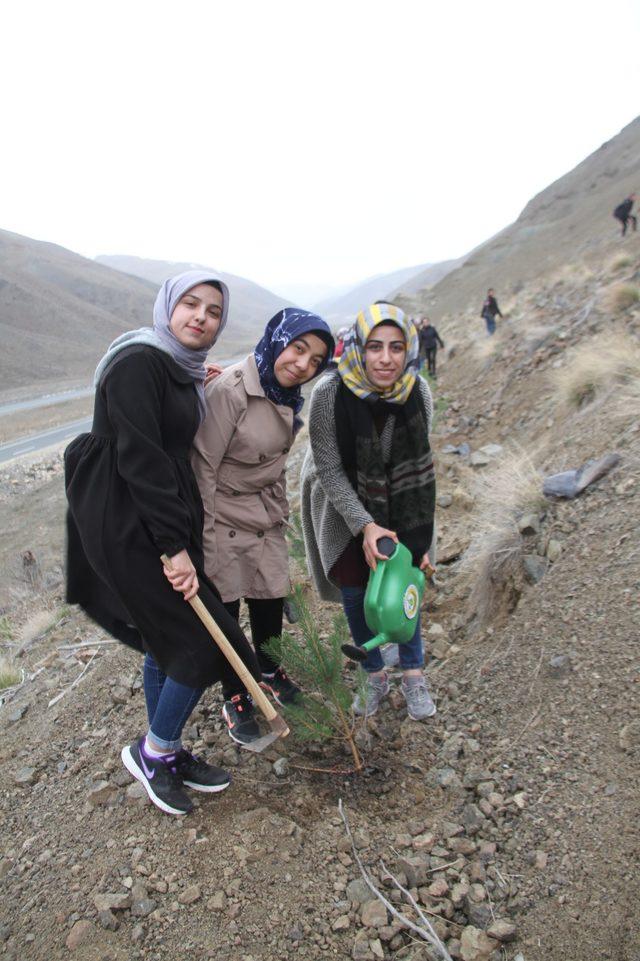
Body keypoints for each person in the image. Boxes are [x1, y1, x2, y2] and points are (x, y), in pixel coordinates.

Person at [65, 271, 263, 817]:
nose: (201, 317)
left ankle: (167, 752)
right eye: (191, 305)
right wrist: (173, 547)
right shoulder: (140, 362)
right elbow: (141, 458)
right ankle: (152, 754)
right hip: (128, 516)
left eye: (214, 311)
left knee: (164, 638)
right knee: (198, 643)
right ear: (168, 308)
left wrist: (197, 385)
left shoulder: (178, 369)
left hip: (154, 513)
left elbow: (166, 431)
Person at [192, 309, 334, 745]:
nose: (303, 365)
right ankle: (236, 693)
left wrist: (280, 512)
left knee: (271, 597)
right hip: (224, 515)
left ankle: (269, 670)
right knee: (229, 610)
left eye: (315, 361)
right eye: (298, 349)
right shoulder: (232, 390)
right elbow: (201, 467)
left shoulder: (285, 395)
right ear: (278, 340)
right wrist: (203, 540)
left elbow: (272, 462)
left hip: (265, 514)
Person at [300, 303, 437, 720]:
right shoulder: (329, 393)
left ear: (408, 350)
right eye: (375, 346)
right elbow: (328, 468)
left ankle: (413, 674)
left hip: (402, 506)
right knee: (358, 595)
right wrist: (365, 526)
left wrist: (420, 542)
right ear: (359, 347)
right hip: (341, 511)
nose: (385, 358)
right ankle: (373, 673)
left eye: (396, 347)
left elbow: (419, 468)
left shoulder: (419, 391)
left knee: (403, 593)